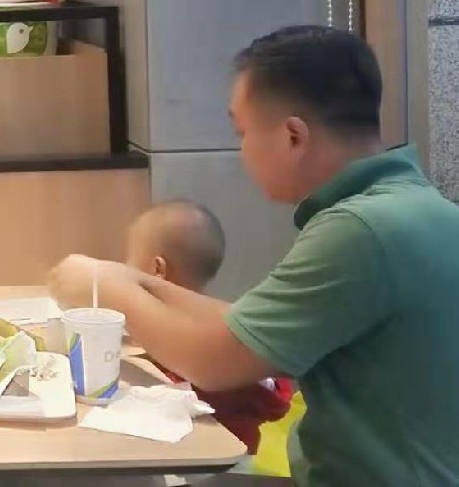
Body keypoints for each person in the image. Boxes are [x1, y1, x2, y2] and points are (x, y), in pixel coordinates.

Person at [48, 26, 459, 485]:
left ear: (293, 136)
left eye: (242, 132)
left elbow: (213, 362)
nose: (241, 150)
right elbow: (244, 326)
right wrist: (139, 282)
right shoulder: (409, 209)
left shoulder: (360, 231)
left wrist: (108, 290)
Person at [123, 199, 294, 454]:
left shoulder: (194, 346)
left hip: (208, 464)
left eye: (128, 260)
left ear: (156, 269)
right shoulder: (219, 329)